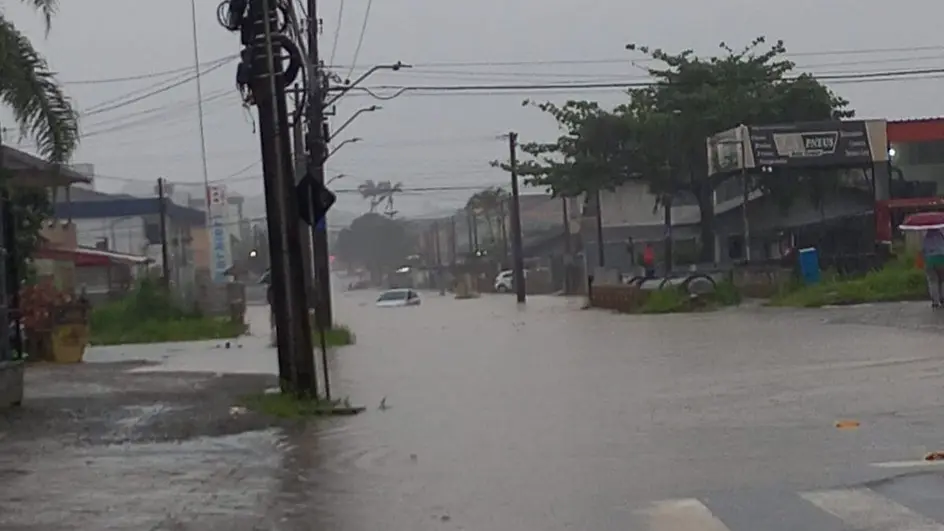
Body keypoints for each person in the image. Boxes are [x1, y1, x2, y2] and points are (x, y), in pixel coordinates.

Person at [923, 228, 944, 308]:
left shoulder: (926, 238)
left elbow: (923, 249)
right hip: (942, 258)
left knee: (933, 281)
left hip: (930, 260)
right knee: (943, 280)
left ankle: (935, 301)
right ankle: (943, 298)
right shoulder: (941, 235)